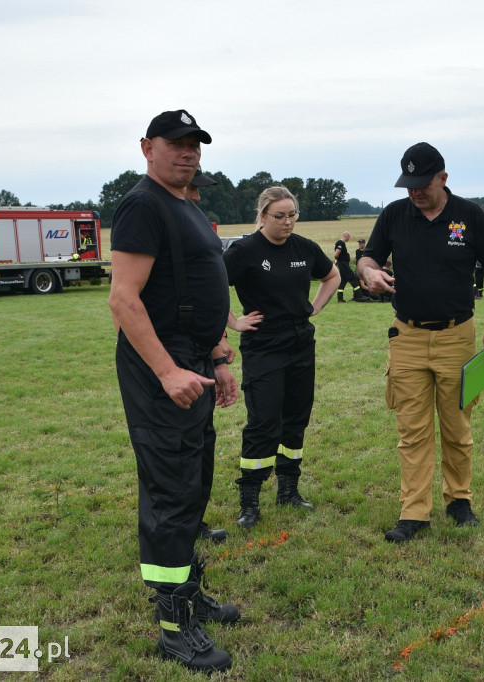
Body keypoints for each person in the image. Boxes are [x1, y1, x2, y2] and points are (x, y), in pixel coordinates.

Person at [108, 109, 239, 673]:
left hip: (193, 360)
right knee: (169, 490)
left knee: (194, 481)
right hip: (162, 367)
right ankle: (173, 626)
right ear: (147, 147)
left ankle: (188, 592)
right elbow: (123, 299)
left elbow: (197, 291)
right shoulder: (143, 204)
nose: (188, 153)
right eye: (176, 143)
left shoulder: (186, 205)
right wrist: (166, 371)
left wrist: (215, 358)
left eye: (195, 144)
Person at [357, 142, 484, 543]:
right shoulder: (394, 215)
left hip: (457, 336)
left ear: (443, 178)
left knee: (457, 426)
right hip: (406, 336)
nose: (415, 192)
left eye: (422, 183)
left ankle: (459, 500)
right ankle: (414, 513)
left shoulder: (470, 216)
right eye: (408, 185)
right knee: (412, 429)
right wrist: (368, 272)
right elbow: (367, 258)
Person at [223, 186, 340, 528]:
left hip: (301, 343)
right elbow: (211, 286)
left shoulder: (304, 248)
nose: (287, 222)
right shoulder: (244, 251)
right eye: (280, 216)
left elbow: (332, 275)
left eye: (292, 215)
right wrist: (233, 321)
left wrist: (314, 306)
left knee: (296, 417)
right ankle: (249, 500)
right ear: (262, 216)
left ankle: (288, 489)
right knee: (263, 421)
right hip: (264, 345)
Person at [184, 165, 234, 545]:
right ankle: (177, 527)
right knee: (179, 448)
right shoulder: (159, 222)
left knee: (201, 443)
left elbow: (204, 295)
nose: (198, 196)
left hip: (200, 352)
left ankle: (193, 521)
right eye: (192, 188)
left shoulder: (196, 220)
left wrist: (217, 356)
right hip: (176, 356)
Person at [333, 231, 366, 302]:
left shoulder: (340, 243)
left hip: (342, 263)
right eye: (349, 237)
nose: (349, 239)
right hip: (343, 264)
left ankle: (340, 298)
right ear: (347, 236)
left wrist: (337, 261)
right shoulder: (340, 243)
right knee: (353, 278)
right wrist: (338, 259)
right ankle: (359, 296)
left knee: (343, 281)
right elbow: (336, 254)